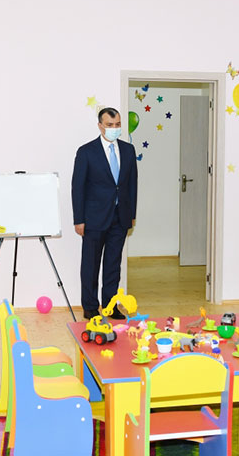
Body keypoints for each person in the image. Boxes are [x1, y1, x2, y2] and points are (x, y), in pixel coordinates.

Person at [72, 108, 138, 320]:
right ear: (100, 126)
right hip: (94, 219)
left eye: (117, 124)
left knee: (113, 265)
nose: (114, 128)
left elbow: (132, 184)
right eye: (110, 125)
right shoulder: (86, 152)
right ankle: (90, 306)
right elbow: (78, 187)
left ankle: (111, 305)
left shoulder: (128, 150)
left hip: (120, 217)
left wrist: (132, 214)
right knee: (90, 265)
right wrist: (79, 219)